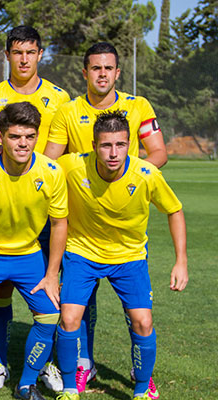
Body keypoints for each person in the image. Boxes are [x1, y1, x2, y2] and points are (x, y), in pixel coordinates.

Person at [44, 42, 168, 394]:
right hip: (80, 229)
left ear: (117, 72)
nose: (102, 74)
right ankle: (84, 365)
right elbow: (52, 163)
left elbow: (158, 153)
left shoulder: (138, 106)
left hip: (123, 227)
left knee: (136, 308)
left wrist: (124, 180)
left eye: (108, 68)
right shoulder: (68, 112)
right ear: (85, 73)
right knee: (78, 307)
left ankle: (140, 370)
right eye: (95, 68)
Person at [54, 110, 187, 400]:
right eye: (105, 145)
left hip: (129, 257)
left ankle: (141, 388)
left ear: (130, 145)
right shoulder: (72, 166)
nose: (113, 153)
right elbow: (37, 167)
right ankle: (68, 387)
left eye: (120, 145)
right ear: (93, 145)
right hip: (82, 253)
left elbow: (174, 210)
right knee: (69, 318)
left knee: (143, 321)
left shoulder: (146, 174)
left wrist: (181, 261)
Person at [0, 25, 70, 391]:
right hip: (1, 208)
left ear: (40, 54)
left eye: (31, 52)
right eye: (17, 52)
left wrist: (35, 181)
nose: (24, 59)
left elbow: (58, 150)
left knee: (56, 291)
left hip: (42, 203)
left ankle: (48, 364)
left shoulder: (60, 98)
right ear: (8, 55)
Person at [0, 102, 67, 400]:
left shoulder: (52, 171)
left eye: (29, 136)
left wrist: (51, 274)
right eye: (15, 136)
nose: (23, 143)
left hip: (28, 255)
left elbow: (59, 225)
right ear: (1, 137)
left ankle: (26, 385)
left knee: (49, 315)